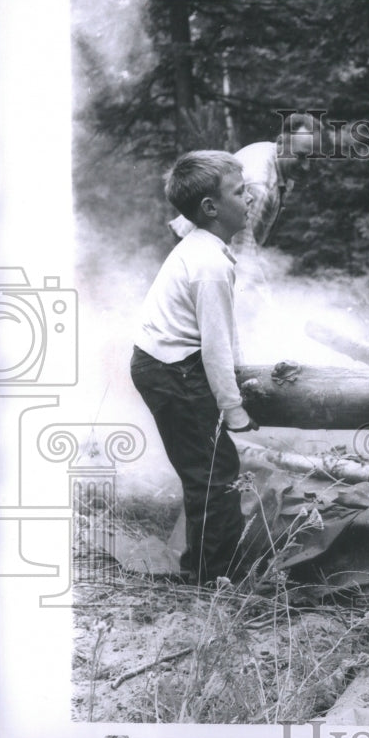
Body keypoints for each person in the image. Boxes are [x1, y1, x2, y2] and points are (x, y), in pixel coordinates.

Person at [132, 150, 260, 583]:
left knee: (206, 468)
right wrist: (234, 408)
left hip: (167, 364)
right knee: (214, 474)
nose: (251, 199)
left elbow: (221, 336)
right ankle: (213, 580)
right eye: (241, 193)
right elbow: (216, 347)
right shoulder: (208, 265)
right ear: (211, 207)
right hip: (173, 369)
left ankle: (205, 569)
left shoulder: (205, 249)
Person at [168, 113, 318, 304]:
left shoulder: (276, 156)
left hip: (208, 242)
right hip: (196, 245)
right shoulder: (261, 186)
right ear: (281, 143)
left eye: (312, 157)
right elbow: (241, 255)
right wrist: (268, 305)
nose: (307, 166)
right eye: (301, 156)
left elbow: (246, 244)